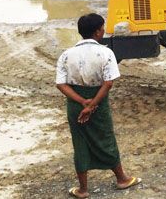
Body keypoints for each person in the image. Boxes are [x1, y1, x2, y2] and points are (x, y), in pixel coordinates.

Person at [56, 13, 141, 198]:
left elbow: (61, 84)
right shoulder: (105, 52)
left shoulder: (66, 55)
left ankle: (83, 189)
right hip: (98, 101)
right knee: (105, 138)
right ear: (97, 32)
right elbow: (108, 83)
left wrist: (82, 103)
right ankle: (122, 179)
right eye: (102, 28)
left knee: (80, 143)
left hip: (75, 104)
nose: (103, 31)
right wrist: (93, 104)